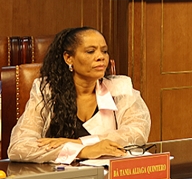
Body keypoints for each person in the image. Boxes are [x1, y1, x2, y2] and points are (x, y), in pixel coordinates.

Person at [8, 27, 150, 164]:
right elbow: (19, 147)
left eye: (104, 51)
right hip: (60, 175)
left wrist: (79, 142)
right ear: (68, 58)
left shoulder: (119, 88)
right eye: (90, 51)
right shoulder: (47, 91)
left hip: (109, 174)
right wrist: (82, 151)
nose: (101, 57)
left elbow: (137, 133)